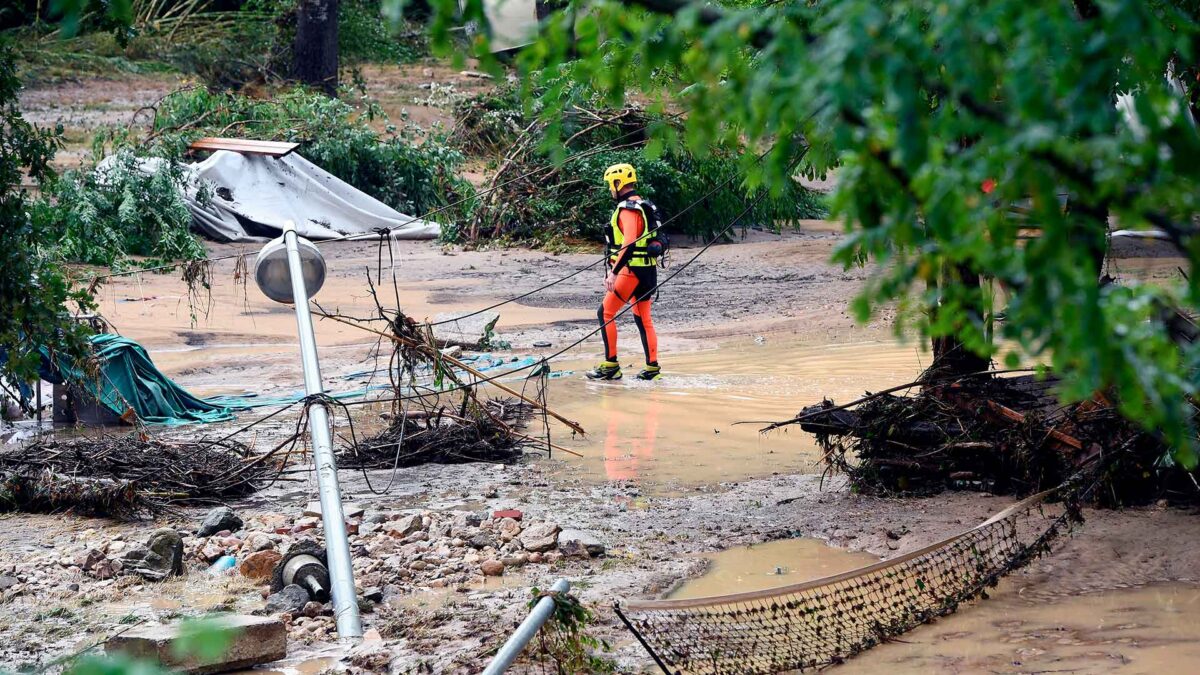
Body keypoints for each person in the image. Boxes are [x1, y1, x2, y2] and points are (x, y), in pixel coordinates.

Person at [587, 163, 662, 381]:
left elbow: (629, 243)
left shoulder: (628, 209)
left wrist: (614, 272)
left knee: (605, 313)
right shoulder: (643, 205)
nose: (610, 189)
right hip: (647, 271)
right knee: (643, 318)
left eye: (610, 185)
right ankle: (652, 370)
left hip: (631, 271)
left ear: (618, 183)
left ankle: (610, 366)